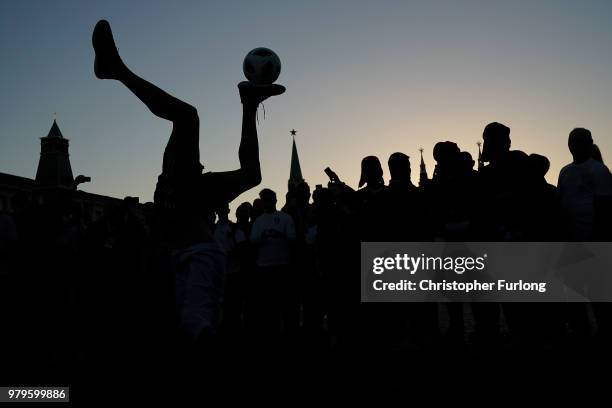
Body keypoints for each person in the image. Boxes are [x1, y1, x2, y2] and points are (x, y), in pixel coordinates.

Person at [92, 20, 285, 351]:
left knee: (189, 119)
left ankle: (117, 70)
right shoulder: (199, 244)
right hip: (190, 219)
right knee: (245, 170)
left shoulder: (188, 245)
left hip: (187, 221)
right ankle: (248, 103)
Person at [250, 188, 297, 339]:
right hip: (264, 267)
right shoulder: (258, 221)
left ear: (275, 200)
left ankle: (288, 333)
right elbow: (253, 240)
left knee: (285, 304)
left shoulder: (285, 218)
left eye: (269, 199)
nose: (267, 202)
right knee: (269, 306)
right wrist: (264, 237)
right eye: (264, 200)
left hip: (283, 265)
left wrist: (279, 235)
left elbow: (292, 238)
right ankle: (271, 334)